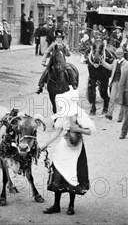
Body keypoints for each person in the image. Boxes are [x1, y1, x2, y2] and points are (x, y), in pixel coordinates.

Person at [39, 87, 94, 216]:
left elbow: (89, 131)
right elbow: (56, 133)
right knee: (58, 172)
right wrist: (44, 145)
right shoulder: (62, 115)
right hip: (63, 146)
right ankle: (56, 205)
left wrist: (76, 129)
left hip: (75, 148)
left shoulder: (79, 114)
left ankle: (71, 205)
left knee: (72, 174)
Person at [101, 46, 128, 122]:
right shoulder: (115, 62)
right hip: (115, 82)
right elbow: (110, 67)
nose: (118, 55)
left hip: (122, 84)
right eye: (117, 54)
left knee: (121, 100)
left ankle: (120, 117)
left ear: (123, 54)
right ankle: (109, 114)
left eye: (120, 54)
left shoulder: (127, 64)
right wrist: (103, 62)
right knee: (112, 98)